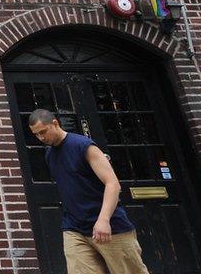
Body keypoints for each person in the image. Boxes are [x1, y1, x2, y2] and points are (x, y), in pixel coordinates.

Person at [28, 109, 150, 274]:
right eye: (36, 135)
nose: (41, 138)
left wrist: (104, 220)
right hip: (74, 227)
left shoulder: (83, 146)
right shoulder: (50, 154)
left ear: (55, 123)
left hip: (109, 225)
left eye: (43, 132)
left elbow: (112, 184)